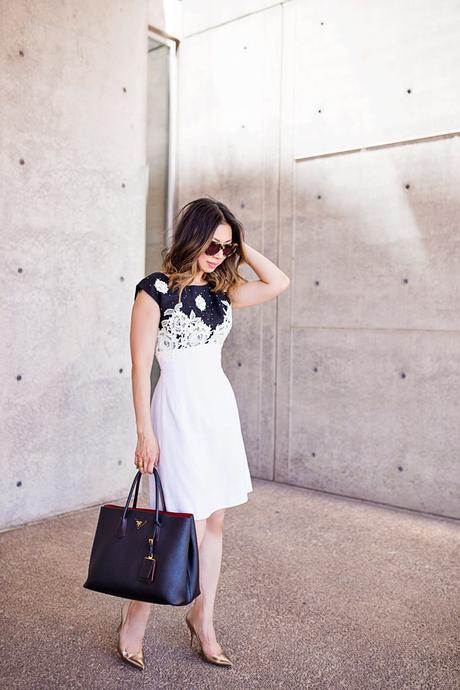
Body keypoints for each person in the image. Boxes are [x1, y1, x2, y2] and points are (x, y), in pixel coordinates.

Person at [117, 196, 290, 670]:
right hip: (174, 410)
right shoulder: (153, 290)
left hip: (216, 411)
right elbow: (137, 366)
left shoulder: (222, 289)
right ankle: (135, 619)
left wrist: (240, 245)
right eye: (211, 244)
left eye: (225, 248)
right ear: (191, 237)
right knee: (172, 522)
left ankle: (203, 620)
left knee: (213, 520)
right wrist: (143, 432)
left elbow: (279, 282)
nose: (218, 255)